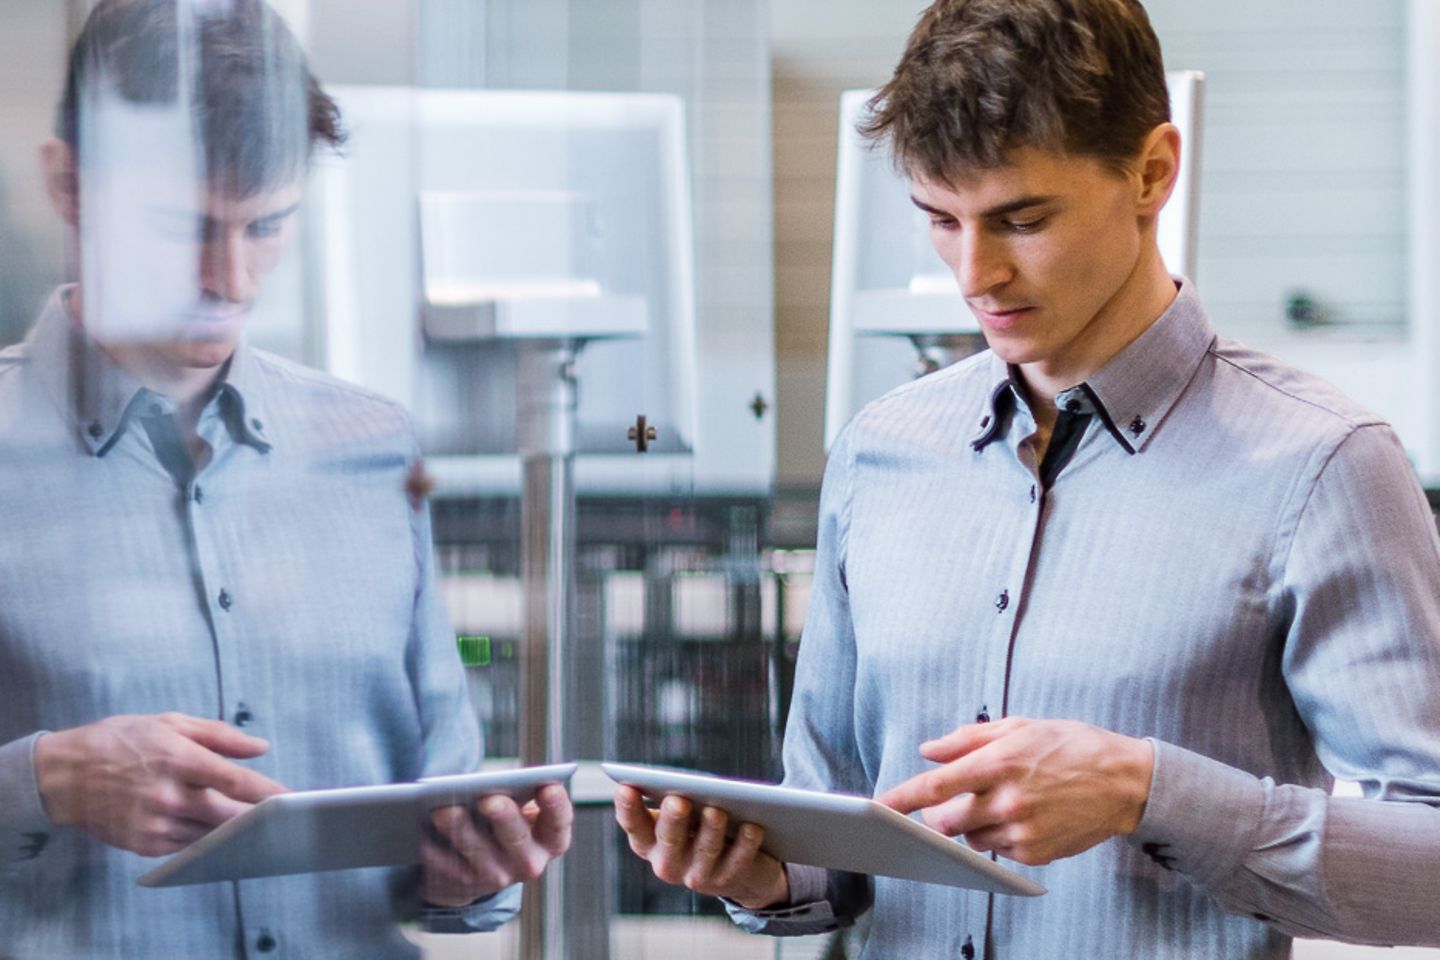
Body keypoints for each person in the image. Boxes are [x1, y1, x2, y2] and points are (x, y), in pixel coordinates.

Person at [614, 0, 1440, 956]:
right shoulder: (881, 454)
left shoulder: (1322, 465)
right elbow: (835, 819)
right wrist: (760, 872)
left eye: (1023, 219)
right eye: (939, 219)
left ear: (1153, 171)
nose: (976, 274)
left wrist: (1147, 790)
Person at [0, 1, 571, 956]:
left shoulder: (371, 446)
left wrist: (472, 871)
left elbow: (435, 809)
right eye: (182, 227)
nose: (229, 277)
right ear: (68, 184)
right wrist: (45, 779)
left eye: (267, 225)